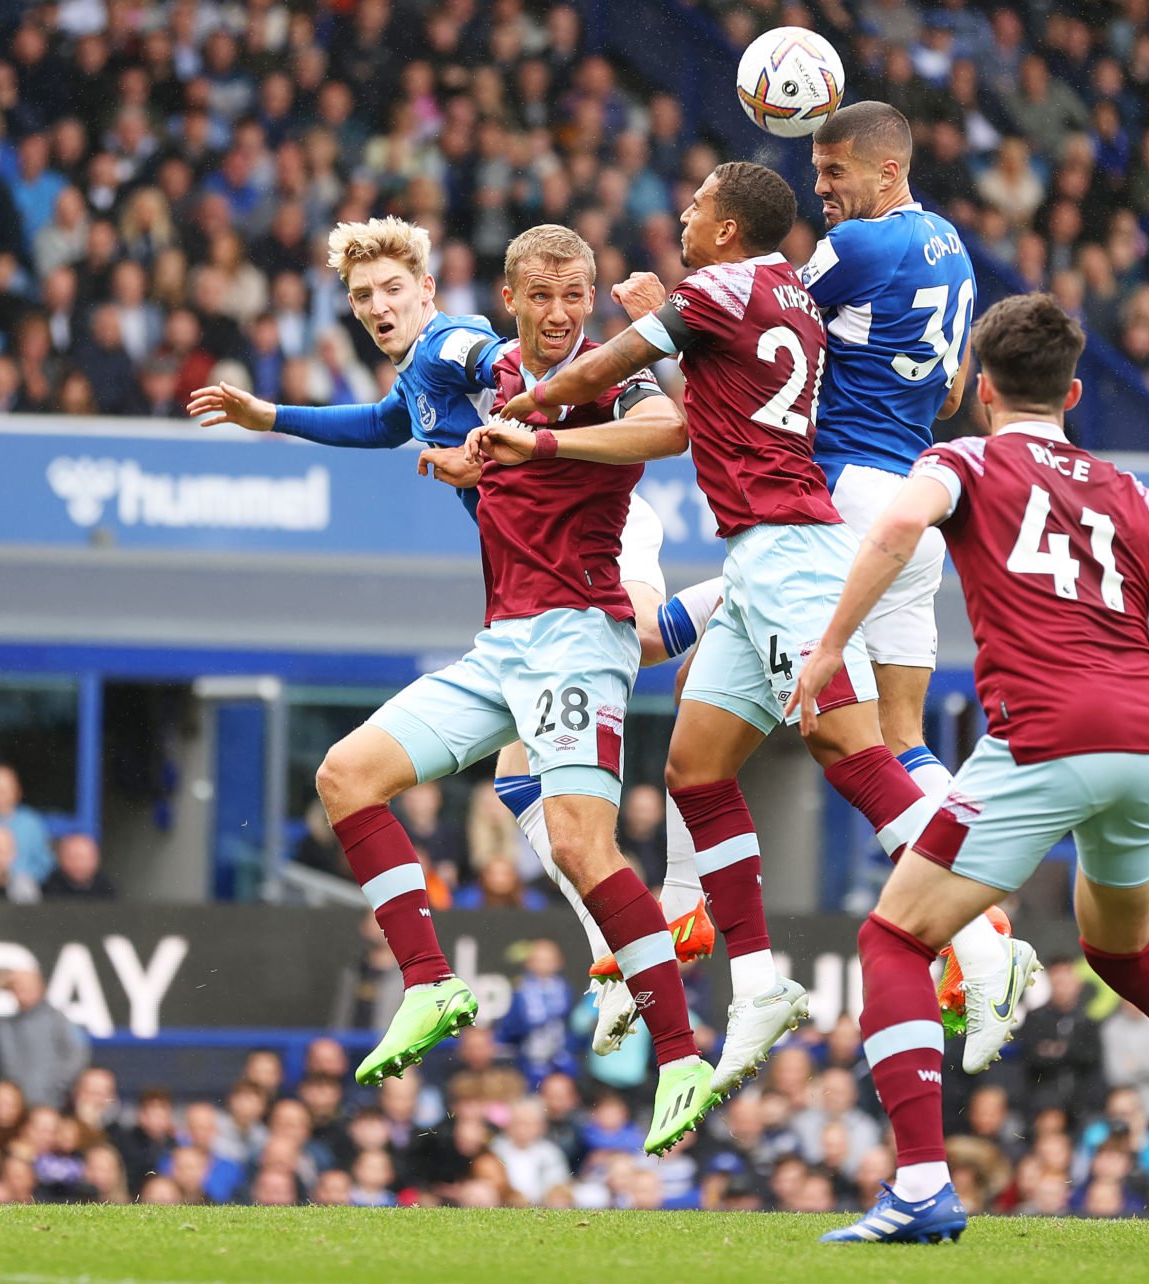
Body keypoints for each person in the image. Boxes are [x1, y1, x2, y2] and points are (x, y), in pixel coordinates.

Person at [788, 293, 1149, 1248]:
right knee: (1129, 955)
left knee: (895, 941)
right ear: (1075, 392)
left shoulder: (961, 458)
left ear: (980, 390)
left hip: (1042, 735)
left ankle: (920, 1184)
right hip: (1141, 744)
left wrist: (833, 644)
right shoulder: (1135, 492)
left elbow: (894, 529)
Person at [486, 162, 1015, 1096]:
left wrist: (527, 418)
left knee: (855, 755)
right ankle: (758, 982)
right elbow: (738, 389)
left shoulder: (717, 288)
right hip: (774, 546)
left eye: (695, 208)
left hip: (796, 546)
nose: (681, 216)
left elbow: (603, 369)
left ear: (728, 229)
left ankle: (978, 940)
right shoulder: (796, 301)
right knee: (694, 764)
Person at [195, 216, 713, 1153]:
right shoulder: (460, 368)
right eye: (364, 299)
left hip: (575, 624)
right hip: (506, 638)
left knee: (580, 845)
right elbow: (389, 423)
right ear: (514, 298)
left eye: (395, 290)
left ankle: (681, 1055)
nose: (381, 308)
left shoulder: (474, 349)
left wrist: (516, 440)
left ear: (436, 292)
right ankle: (431, 982)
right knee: (346, 776)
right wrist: (269, 417)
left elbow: (665, 423)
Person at [797, 104, 1031, 1033]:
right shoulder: (951, 246)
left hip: (849, 506)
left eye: (834, 174)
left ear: (886, 171)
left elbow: (761, 323)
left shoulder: (858, 249)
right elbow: (939, 391)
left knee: (824, 730)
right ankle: (983, 926)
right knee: (899, 739)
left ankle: (977, 930)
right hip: (912, 500)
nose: (822, 192)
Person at [0, 967, 89, 1110]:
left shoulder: (57, 1020)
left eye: (27, 986)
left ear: (41, 988)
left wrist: (53, 1087)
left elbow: (78, 1054)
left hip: (50, 1105)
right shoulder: (4, 1025)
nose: (22, 991)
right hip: (15, 1109)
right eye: (17, 986)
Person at [40, 833, 117, 900]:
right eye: (73, 857)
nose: (79, 863)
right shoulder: (48, 888)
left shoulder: (108, 888)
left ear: (96, 859)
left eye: (84, 858)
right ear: (61, 859)